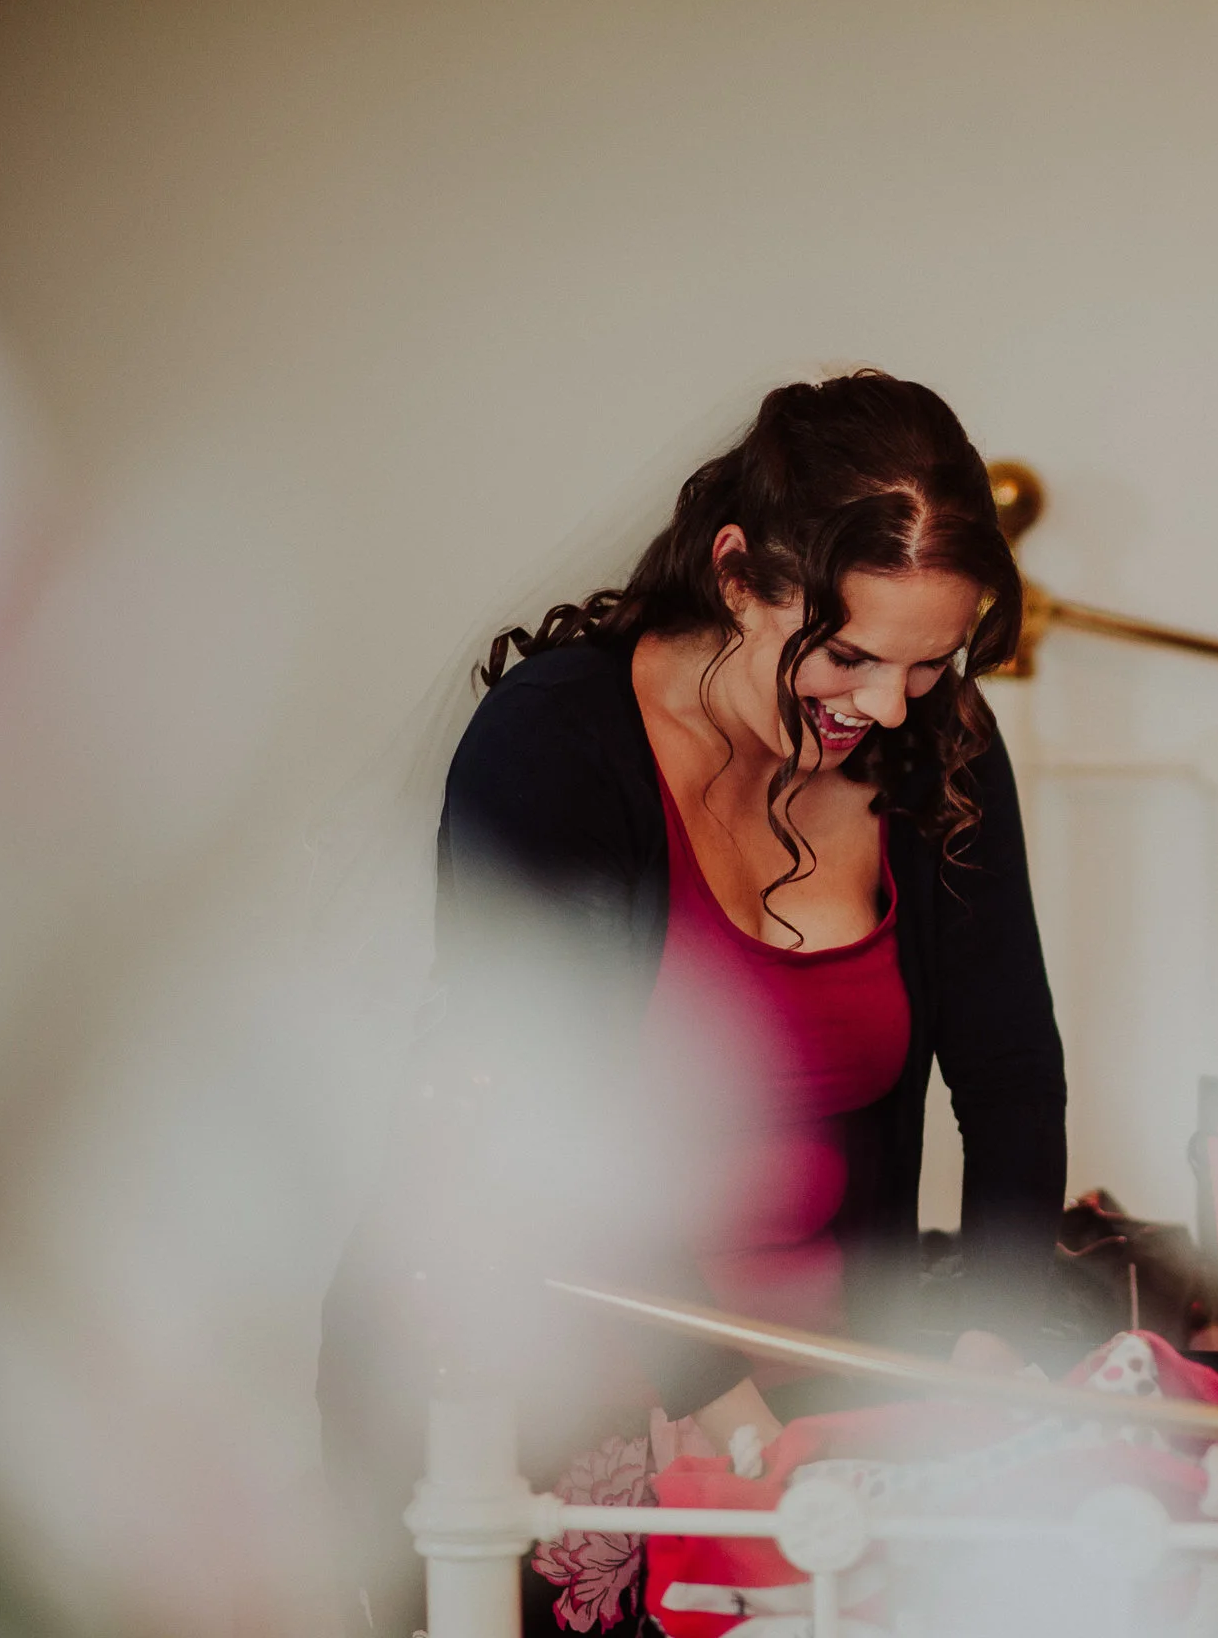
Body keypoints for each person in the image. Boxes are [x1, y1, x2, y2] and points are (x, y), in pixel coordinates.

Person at [318, 370, 1068, 1637]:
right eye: (846, 654)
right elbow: (539, 1143)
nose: (887, 705)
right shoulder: (552, 744)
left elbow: (1009, 1078)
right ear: (736, 572)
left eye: (929, 664)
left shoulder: (936, 745)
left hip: (823, 1393)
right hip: (550, 1384)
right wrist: (735, 1423)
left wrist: (989, 1351)